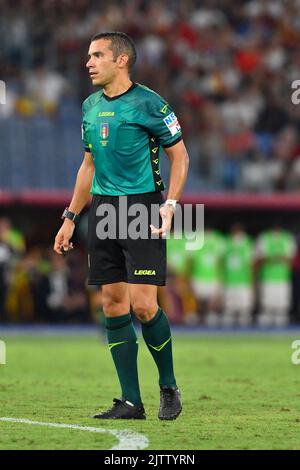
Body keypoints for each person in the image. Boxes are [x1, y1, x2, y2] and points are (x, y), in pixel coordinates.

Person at [54, 32, 189, 420]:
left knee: (145, 306)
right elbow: (88, 165)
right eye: (88, 56)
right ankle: (131, 400)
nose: (89, 62)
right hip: (102, 210)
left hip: (142, 209)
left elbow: (180, 157)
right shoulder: (90, 106)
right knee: (113, 304)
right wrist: (70, 217)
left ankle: (168, 386)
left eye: (97, 55)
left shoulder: (150, 103)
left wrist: (171, 205)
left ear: (121, 60)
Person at [222, 224, 254, 327]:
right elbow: (221, 261)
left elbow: (250, 263)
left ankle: (245, 328)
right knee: (229, 306)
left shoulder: (247, 244)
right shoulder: (227, 243)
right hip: (229, 279)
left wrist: (251, 280)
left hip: (243, 279)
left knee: (244, 307)